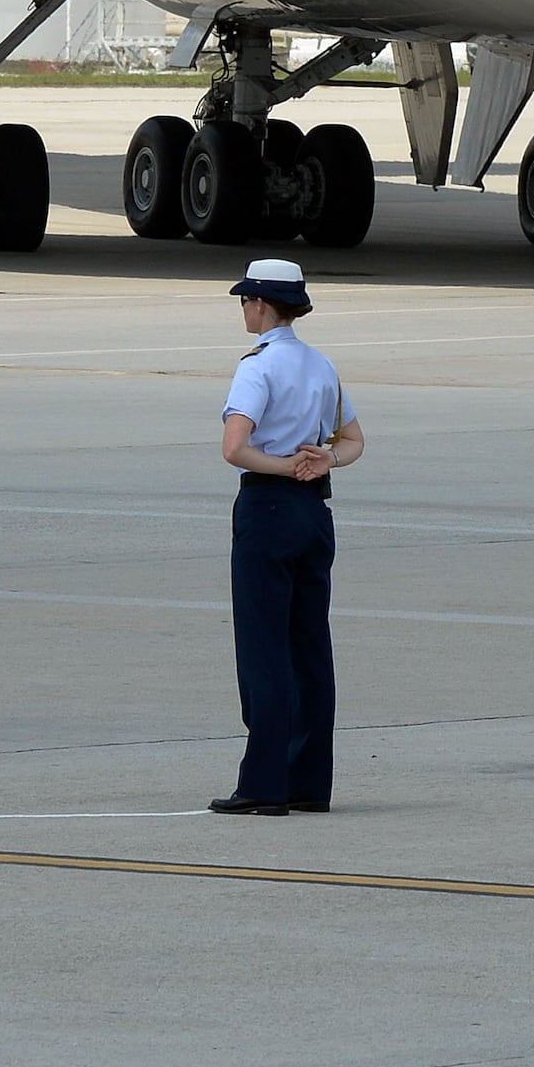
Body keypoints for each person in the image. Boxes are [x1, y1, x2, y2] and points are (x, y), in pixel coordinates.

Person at [212, 256, 361, 816]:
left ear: (261, 304)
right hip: (313, 514)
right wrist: (322, 462)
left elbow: (235, 448)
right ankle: (308, 781)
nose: (244, 309)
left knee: (263, 648)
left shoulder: (257, 367)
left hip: (268, 508)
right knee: (308, 647)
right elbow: (354, 441)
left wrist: (283, 466)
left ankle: (264, 782)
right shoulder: (322, 365)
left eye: (246, 299)